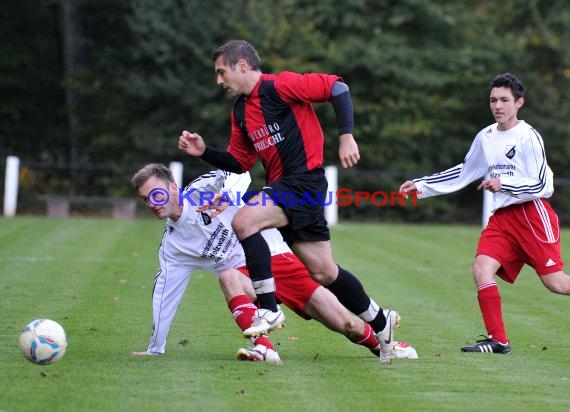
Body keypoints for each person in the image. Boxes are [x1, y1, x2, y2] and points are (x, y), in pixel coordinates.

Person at [177, 40, 399, 360]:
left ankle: (268, 309)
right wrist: (204, 153)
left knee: (244, 220)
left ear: (242, 66)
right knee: (324, 272)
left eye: (221, 72)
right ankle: (381, 320)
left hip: (303, 182)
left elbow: (337, 87)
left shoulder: (280, 86)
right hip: (289, 190)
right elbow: (240, 161)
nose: (219, 81)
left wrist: (346, 134)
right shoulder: (240, 111)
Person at [130, 164, 399, 364]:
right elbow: (166, 293)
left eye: (156, 194)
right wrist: (156, 347)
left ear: (173, 188)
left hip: (276, 258)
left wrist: (227, 195)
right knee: (227, 277)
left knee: (347, 325)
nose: (152, 204)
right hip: (246, 276)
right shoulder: (173, 246)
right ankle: (264, 346)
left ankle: (386, 345)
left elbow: (239, 171)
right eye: (146, 199)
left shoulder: (202, 190)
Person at [399, 73, 570, 354]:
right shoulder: (486, 136)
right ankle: (498, 340)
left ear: (519, 103)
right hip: (502, 218)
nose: (498, 105)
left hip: (532, 216)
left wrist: (505, 184)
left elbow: (542, 185)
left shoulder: (529, 136)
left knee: (557, 284)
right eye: (493, 100)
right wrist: (421, 184)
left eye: (504, 100)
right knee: (481, 268)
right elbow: (464, 172)